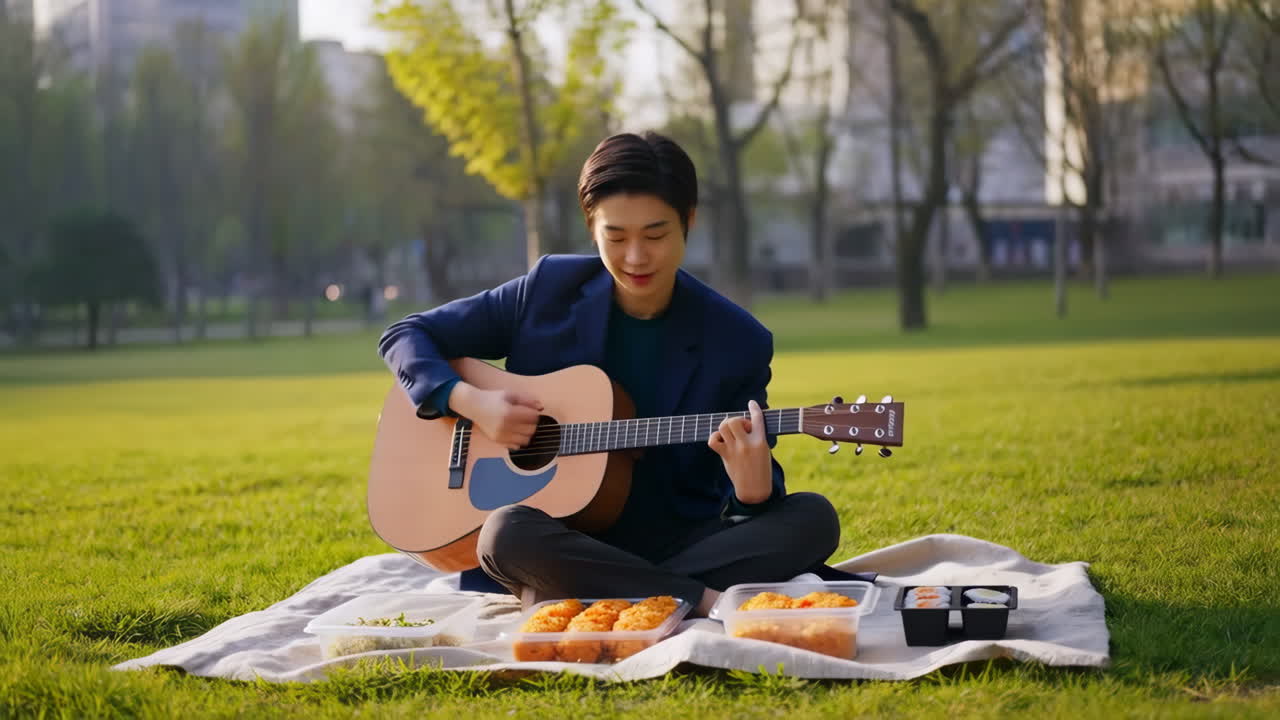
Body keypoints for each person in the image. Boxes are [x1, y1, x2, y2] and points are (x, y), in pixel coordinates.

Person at [378, 131, 841, 617]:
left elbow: (754, 500)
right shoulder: (549, 290)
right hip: (554, 534)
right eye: (615, 237)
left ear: (689, 221)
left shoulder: (737, 339)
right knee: (504, 532)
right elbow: (406, 335)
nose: (636, 257)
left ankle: (599, 586)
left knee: (813, 519)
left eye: (656, 235)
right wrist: (472, 403)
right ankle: (697, 598)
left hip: (674, 540)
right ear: (591, 227)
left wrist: (753, 492)